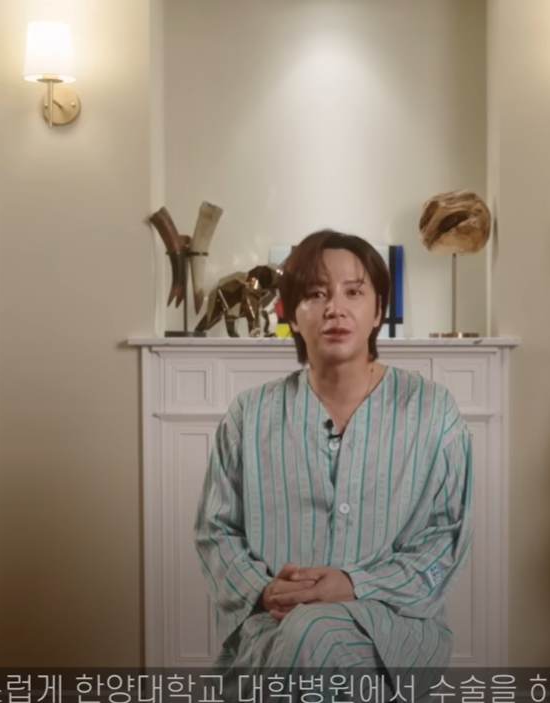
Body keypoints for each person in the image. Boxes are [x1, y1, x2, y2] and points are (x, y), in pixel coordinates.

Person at [194, 229, 474, 685]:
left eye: (353, 292)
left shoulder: (432, 410)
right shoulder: (250, 414)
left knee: (312, 635)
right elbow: (215, 530)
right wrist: (264, 590)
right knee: (302, 635)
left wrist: (356, 584)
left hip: (394, 626)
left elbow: (447, 538)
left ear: (378, 310)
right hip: (274, 624)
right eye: (316, 293)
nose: (335, 309)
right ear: (290, 313)